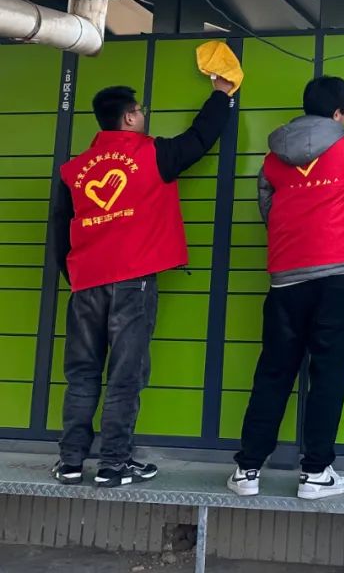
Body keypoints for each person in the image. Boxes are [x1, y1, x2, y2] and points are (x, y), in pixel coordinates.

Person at [52, 76, 234, 487]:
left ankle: (70, 463)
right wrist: (221, 94)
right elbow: (200, 138)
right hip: (132, 282)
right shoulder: (154, 153)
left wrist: (77, 274)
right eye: (140, 110)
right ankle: (114, 465)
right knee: (125, 375)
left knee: (82, 374)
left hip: (86, 284)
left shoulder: (73, 170)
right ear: (130, 117)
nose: (143, 115)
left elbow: (60, 231)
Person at [228, 75, 344, 501]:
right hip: (338, 276)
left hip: (286, 278)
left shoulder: (272, 159)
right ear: (339, 113)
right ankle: (316, 473)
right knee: (329, 375)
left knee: (273, 373)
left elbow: (267, 209)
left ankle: (248, 469)